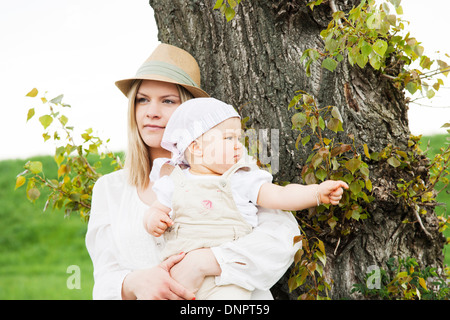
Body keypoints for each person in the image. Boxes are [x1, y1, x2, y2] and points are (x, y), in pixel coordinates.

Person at [85, 43, 301, 300]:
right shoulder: (110, 189)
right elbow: (104, 280)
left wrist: (203, 262)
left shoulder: (234, 172)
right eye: (142, 100)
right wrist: (132, 284)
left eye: (168, 101)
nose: (152, 112)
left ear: (191, 112)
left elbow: (284, 239)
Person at [143, 97, 348, 299]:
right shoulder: (174, 182)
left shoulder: (241, 179)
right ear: (196, 147)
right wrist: (153, 219)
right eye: (228, 139)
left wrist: (316, 193)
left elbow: (279, 195)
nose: (238, 146)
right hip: (177, 277)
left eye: (238, 139)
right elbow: (156, 208)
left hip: (224, 280)